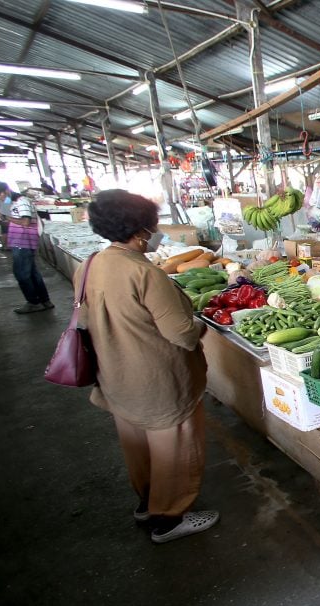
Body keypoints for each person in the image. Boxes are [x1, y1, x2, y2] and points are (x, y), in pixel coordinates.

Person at [75, 189, 217, 544]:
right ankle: (169, 519)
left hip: (116, 375)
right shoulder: (145, 274)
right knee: (174, 447)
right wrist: (202, 321)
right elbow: (182, 335)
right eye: (152, 225)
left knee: (136, 445)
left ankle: (146, 503)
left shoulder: (89, 264)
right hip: (158, 381)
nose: (155, 231)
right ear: (140, 230)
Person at [0, 185, 53, 314]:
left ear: (6, 191)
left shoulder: (22, 202)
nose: (0, 199)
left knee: (22, 274)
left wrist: (4, 217)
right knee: (32, 273)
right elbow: (10, 216)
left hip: (23, 242)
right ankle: (44, 301)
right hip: (20, 241)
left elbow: (25, 222)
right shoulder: (12, 202)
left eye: (0, 195)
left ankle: (34, 302)